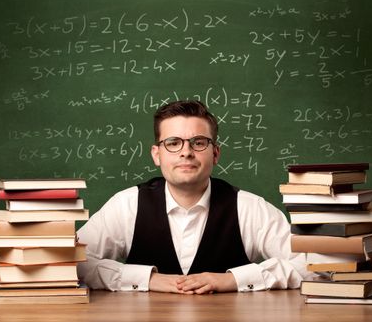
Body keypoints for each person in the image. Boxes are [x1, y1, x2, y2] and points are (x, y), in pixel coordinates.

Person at [77, 100, 311, 294]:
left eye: (198, 142)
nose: (186, 152)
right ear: (156, 155)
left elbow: (312, 266)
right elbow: (73, 263)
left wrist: (234, 279)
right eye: (173, 143)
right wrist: (147, 278)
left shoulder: (248, 207)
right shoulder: (127, 205)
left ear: (215, 153)